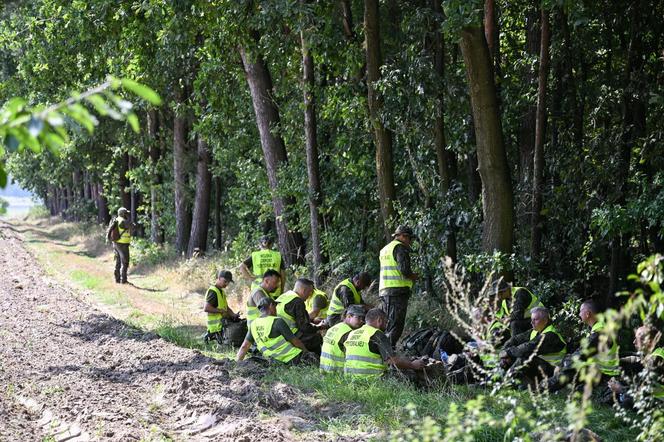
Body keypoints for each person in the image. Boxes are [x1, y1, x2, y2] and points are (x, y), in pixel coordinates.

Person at [547, 300, 620, 392]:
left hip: (605, 375)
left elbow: (579, 355)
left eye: (581, 311)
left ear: (588, 314)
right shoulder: (599, 328)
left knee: (571, 370)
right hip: (600, 371)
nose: (579, 314)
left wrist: (561, 364)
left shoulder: (599, 333)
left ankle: (540, 389)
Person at [344, 308, 425, 378]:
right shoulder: (377, 334)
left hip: (351, 377)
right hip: (372, 378)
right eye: (386, 322)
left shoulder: (353, 333)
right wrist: (413, 365)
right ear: (379, 320)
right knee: (411, 375)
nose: (386, 325)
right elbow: (391, 360)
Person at [500, 306, 567, 386]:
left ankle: (504, 381)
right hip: (541, 367)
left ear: (545, 321)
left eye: (535, 319)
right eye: (531, 320)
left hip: (553, 372)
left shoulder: (551, 335)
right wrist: (504, 351)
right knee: (513, 355)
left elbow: (528, 347)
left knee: (524, 357)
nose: (532, 322)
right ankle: (519, 383)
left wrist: (507, 352)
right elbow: (515, 339)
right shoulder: (535, 331)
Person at [236, 298, 314, 365]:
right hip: (290, 358)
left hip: (271, 361)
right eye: (275, 306)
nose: (276, 310)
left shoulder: (253, 324)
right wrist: (306, 353)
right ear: (271, 306)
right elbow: (295, 341)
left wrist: (237, 363)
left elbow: (244, 346)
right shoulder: (277, 321)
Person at [379, 225, 418, 347]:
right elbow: (405, 271)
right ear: (403, 236)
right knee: (395, 326)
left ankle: (386, 354)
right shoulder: (400, 248)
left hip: (385, 291)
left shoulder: (385, 249)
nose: (410, 242)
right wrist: (414, 276)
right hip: (397, 292)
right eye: (409, 239)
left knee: (387, 324)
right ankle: (388, 356)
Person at [609, 324, 664, 408]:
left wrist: (620, 389)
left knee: (626, 399)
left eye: (638, 339)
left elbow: (643, 391)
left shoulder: (655, 360)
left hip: (658, 403)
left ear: (649, 342)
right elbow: (634, 358)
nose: (634, 342)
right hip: (653, 398)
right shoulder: (655, 353)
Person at [276, 278, 324, 353]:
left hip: (279, 333)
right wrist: (320, 327)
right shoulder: (297, 301)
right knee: (316, 338)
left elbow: (292, 317)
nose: (309, 295)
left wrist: (312, 320)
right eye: (310, 292)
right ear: (304, 290)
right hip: (290, 335)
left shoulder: (286, 295)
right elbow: (304, 327)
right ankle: (315, 360)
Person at [320, 305, 365, 373]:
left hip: (324, 369)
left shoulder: (333, 328)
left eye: (363, 318)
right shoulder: (348, 333)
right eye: (359, 317)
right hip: (337, 372)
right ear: (349, 316)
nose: (362, 321)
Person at [203, 270, 240, 345]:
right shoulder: (213, 291)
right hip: (216, 326)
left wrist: (233, 314)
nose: (226, 284)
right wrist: (220, 311)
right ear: (219, 278)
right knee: (224, 345)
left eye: (228, 282)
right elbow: (206, 308)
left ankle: (209, 337)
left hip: (221, 325)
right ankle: (209, 336)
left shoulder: (221, 291)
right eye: (225, 281)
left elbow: (225, 307)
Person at [106, 207, 132, 284]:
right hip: (122, 244)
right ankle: (124, 280)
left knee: (118, 261)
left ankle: (117, 279)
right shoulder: (123, 221)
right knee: (125, 262)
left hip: (116, 243)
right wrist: (129, 219)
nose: (127, 214)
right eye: (126, 213)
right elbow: (133, 226)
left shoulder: (116, 220)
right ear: (123, 214)